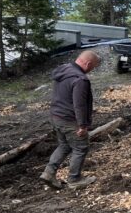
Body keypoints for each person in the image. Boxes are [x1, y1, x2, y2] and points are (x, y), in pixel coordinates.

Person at [40, 50, 101, 190]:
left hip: (56, 116)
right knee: (80, 147)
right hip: (69, 119)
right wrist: (82, 125)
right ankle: (74, 179)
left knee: (64, 145)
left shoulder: (64, 69)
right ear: (88, 63)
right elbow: (79, 104)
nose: (91, 70)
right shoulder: (80, 79)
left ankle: (49, 173)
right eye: (93, 67)